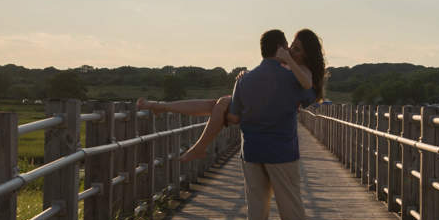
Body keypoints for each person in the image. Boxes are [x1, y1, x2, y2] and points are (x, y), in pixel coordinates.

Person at [138, 28, 326, 163]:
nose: (290, 50)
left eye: (296, 49)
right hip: (263, 104)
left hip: (267, 109)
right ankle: (160, 107)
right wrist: (246, 76)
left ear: (308, 54)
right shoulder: (288, 63)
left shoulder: (301, 67)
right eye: (291, 46)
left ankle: (197, 146)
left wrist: (286, 60)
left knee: (218, 104)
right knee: (216, 104)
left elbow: (306, 84)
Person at [227, 29, 321, 220]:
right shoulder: (292, 78)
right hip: (282, 150)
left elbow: (235, 118)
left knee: (256, 200)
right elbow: (310, 96)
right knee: (291, 198)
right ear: (279, 47)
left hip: (252, 150)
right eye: (287, 46)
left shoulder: (243, 80)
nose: (289, 50)